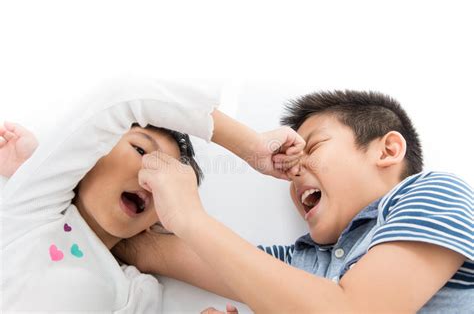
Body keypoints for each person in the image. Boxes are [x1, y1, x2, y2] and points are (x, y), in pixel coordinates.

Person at [113, 90, 473, 313]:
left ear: (388, 150)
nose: (294, 172)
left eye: (313, 147)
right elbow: (139, 244)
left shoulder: (432, 193)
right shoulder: (296, 266)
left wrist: (193, 218)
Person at [0, 78, 305, 313]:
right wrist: (249, 145)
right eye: (140, 150)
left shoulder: (137, 291)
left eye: (170, 180)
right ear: (91, 155)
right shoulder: (33, 207)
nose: (150, 178)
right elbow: (126, 95)